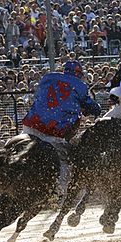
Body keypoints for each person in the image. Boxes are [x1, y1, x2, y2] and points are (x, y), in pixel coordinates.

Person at [22, 60, 101, 199]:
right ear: (79, 74)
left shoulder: (47, 77)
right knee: (65, 161)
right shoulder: (81, 86)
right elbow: (93, 108)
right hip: (53, 133)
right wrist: (92, 108)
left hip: (31, 126)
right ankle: (59, 191)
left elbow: (42, 97)